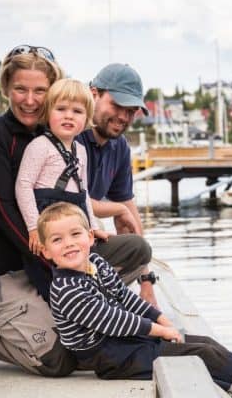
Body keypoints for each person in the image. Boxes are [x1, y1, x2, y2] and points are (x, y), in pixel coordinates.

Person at [0, 46, 152, 377]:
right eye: (21, 89)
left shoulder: (62, 135)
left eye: (40, 92)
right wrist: (66, 261)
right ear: (6, 90)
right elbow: (6, 213)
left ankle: (77, 306)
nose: (30, 100)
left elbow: (81, 194)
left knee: (135, 248)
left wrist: (89, 234)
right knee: (61, 360)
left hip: (48, 265)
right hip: (3, 272)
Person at [38, 202, 232, 398]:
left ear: (90, 237)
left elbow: (124, 297)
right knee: (200, 355)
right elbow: (114, 321)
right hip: (107, 356)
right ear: (47, 252)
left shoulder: (96, 262)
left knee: (204, 343)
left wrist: (160, 317)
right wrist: (160, 331)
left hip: (124, 343)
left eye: (75, 234)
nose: (69, 244)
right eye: (58, 240)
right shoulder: (68, 290)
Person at [14, 78, 106, 299]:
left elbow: (83, 194)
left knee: (87, 273)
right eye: (61, 109)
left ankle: (91, 307)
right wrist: (34, 228)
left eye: (77, 111)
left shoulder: (81, 150)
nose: (68, 115)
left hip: (75, 221)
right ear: (48, 112)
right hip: (48, 222)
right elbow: (23, 185)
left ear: (86, 119)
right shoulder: (40, 146)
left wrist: (92, 226)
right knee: (50, 279)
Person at [78, 63, 157, 305]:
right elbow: (73, 199)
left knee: (137, 246)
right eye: (117, 105)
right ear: (94, 94)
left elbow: (129, 210)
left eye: (131, 110)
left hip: (85, 242)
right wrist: (118, 210)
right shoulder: (71, 134)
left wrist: (147, 282)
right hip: (54, 244)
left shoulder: (120, 146)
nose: (123, 116)